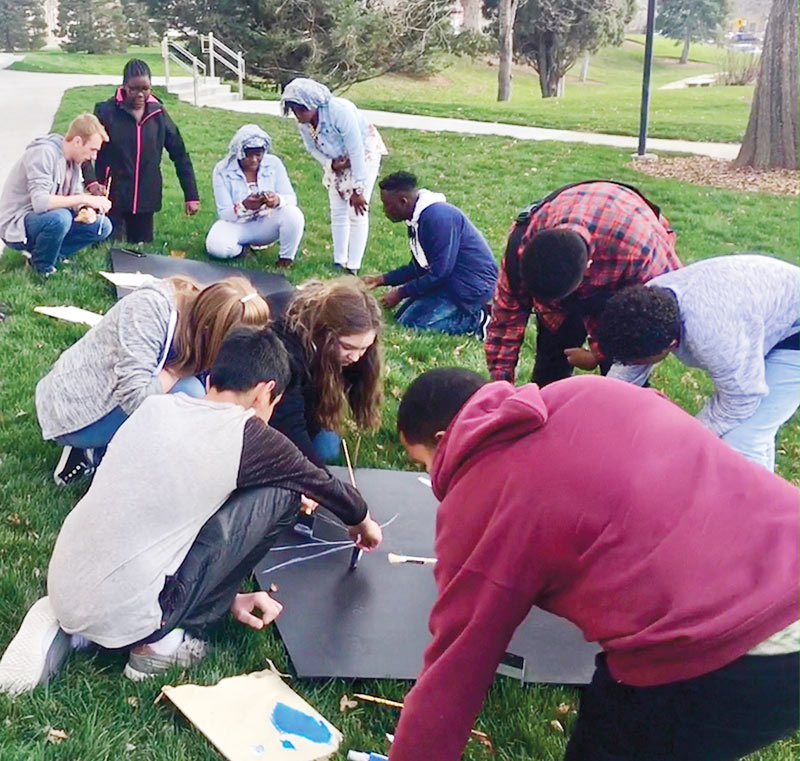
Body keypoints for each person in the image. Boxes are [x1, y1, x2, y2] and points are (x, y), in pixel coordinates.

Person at [389, 367, 798, 761]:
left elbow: (455, 672)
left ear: (443, 439)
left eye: (421, 461)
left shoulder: (478, 503)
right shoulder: (591, 391)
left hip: (730, 646)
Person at [0, 326, 382, 695]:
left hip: (66, 577)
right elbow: (322, 484)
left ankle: (74, 627)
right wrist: (363, 523)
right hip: (135, 611)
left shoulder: (156, 407)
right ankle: (156, 647)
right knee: (284, 491)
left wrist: (230, 597)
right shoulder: (250, 436)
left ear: (214, 374)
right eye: (275, 402)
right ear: (266, 392)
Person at [36, 276, 270, 485]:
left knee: (199, 402)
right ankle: (90, 448)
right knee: (192, 400)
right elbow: (135, 398)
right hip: (73, 410)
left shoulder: (198, 322)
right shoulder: (150, 310)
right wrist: (177, 371)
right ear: (214, 330)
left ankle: (108, 454)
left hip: (112, 399)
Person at [598, 253, 800, 471]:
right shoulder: (646, 303)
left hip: (794, 332)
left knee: (743, 439)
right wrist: (601, 417)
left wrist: (688, 439)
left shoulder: (712, 338)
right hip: (762, 313)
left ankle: (757, 505)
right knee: (754, 433)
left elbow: (743, 398)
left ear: (670, 345)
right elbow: (624, 376)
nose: (632, 365)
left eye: (638, 361)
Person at [486, 181, 682, 386]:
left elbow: (659, 323)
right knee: (550, 365)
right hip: (581, 259)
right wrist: (500, 387)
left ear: (588, 267)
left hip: (622, 287)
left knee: (622, 381)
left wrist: (599, 353)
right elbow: (504, 321)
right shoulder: (521, 245)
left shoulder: (640, 249)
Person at [362, 171, 497, 338]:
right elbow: (420, 266)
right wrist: (382, 279)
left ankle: (479, 321)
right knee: (401, 317)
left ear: (403, 202)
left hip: (470, 287)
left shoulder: (438, 218)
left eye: (387, 205)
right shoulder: (418, 219)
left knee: (413, 324)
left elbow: (440, 272)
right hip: (449, 281)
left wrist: (400, 292)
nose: (384, 210)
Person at [269, 278, 383, 466]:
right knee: (312, 456)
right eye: (348, 347)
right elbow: (288, 419)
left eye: (363, 349)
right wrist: (322, 480)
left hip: (309, 398)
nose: (356, 357)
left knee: (327, 450)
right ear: (324, 332)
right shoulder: (286, 346)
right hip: (273, 407)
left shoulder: (345, 347)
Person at [84, 59, 199, 244]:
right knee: (110, 248)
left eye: (145, 89)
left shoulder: (158, 114)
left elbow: (180, 155)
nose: (140, 94)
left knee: (142, 251)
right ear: (124, 87)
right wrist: (91, 182)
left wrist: (191, 195)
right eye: (134, 89)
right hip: (112, 198)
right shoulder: (106, 112)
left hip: (146, 198)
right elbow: (84, 151)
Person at [281, 77, 387, 275]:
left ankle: (353, 266)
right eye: (293, 110)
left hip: (363, 154)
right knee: (337, 208)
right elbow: (312, 148)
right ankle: (339, 260)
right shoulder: (304, 123)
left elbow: (356, 149)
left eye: (300, 109)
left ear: (312, 104)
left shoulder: (339, 111)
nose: (297, 115)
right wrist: (331, 165)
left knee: (356, 211)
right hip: (337, 160)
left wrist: (358, 189)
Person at [0, 113, 113, 276]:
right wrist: (86, 198)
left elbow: (74, 194)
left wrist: (85, 209)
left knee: (102, 226)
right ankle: (41, 268)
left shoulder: (75, 161)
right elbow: (40, 203)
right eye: (92, 149)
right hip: (16, 222)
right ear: (78, 141)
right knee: (60, 218)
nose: (94, 156)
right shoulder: (43, 153)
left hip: (44, 218)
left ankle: (51, 256)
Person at [206, 124, 305, 268]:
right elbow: (224, 213)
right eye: (248, 154)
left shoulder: (274, 163)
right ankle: (241, 250)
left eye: (258, 155)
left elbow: (291, 198)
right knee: (215, 246)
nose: (253, 160)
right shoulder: (222, 170)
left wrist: (277, 200)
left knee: (293, 214)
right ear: (239, 152)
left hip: (267, 221)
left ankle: (286, 259)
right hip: (237, 224)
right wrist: (244, 206)